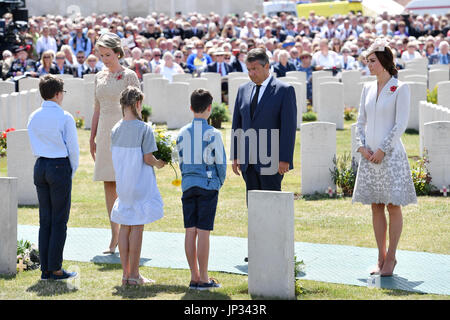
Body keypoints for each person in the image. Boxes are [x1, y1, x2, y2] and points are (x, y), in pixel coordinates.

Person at [352, 39, 417, 277]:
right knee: (376, 205)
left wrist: (383, 149)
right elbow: (360, 121)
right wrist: (361, 146)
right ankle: (380, 256)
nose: (368, 65)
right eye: (367, 61)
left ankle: (392, 257)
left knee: (393, 205)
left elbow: (400, 124)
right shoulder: (367, 89)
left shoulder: (400, 88)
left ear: (384, 62)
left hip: (390, 156)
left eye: (372, 61)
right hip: (369, 156)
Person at [90, 32, 141, 255]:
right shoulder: (98, 76)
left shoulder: (129, 76)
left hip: (125, 133)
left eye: (108, 54)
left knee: (126, 185)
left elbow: (137, 108)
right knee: (108, 184)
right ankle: (114, 236)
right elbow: (97, 109)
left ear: (118, 53)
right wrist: (92, 137)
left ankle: (128, 234)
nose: (105, 59)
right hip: (104, 134)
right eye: (101, 55)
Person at [111, 86, 165, 286]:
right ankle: (134, 274)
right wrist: (160, 163)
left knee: (125, 226)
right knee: (137, 227)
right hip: (140, 182)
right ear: (137, 104)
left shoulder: (115, 128)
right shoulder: (144, 128)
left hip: (123, 183)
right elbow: (148, 158)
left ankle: (126, 274)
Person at [27, 75, 79, 281]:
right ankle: (55, 268)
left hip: (40, 165)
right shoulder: (65, 117)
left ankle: (45, 269)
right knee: (59, 220)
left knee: (45, 219)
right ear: (58, 94)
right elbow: (73, 149)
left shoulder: (33, 116)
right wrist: (71, 171)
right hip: (59, 165)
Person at [177, 88, 226, 290]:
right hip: (207, 184)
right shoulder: (213, 133)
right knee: (203, 231)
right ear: (209, 108)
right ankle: (204, 278)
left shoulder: (181, 133)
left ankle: (194, 276)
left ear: (190, 108)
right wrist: (218, 182)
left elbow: (180, 161)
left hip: (188, 185)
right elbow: (220, 163)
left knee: (190, 230)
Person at [231, 48, 297, 200]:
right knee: (253, 205)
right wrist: (235, 155)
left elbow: (288, 127)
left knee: (271, 204)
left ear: (266, 66)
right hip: (248, 161)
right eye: (248, 69)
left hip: (272, 160)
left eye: (255, 69)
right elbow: (237, 124)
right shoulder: (243, 90)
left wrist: (285, 159)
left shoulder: (284, 90)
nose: (251, 73)